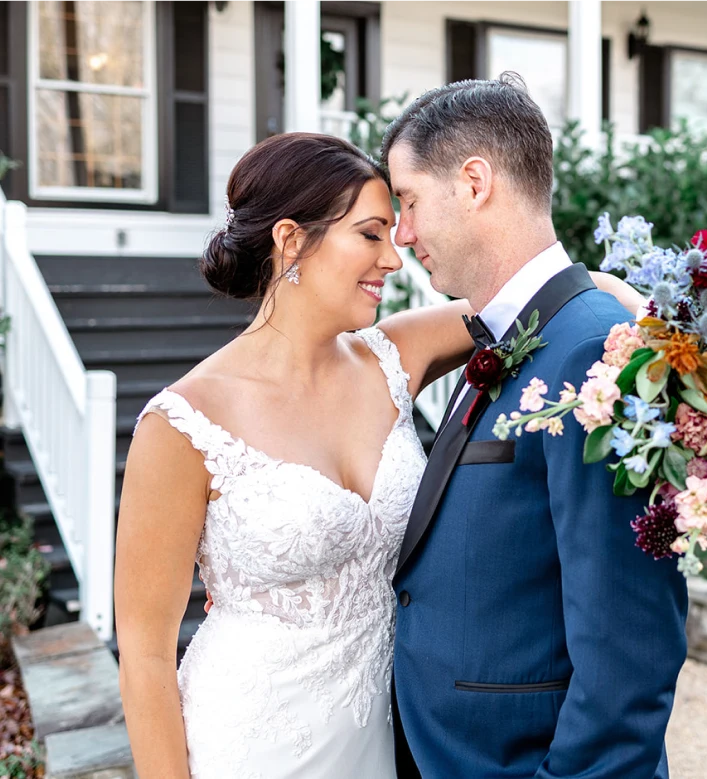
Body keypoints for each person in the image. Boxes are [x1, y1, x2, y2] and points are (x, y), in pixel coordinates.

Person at [114, 130, 643, 778]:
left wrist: (630, 306)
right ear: (290, 241)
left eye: (393, 233)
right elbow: (144, 652)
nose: (394, 259)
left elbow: (533, 300)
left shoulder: (395, 355)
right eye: (370, 235)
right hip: (248, 742)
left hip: (387, 743)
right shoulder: (182, 422)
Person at [383, 75, 688, 779]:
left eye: (409, 200)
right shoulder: (510, 335)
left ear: (474, 183)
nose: (403, 233)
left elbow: (629, 642)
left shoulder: (595, 354)